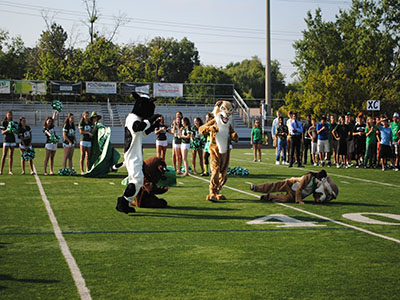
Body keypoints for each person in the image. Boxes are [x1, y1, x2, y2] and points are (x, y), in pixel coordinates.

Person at [249, 169, 338, 204]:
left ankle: (268, 197)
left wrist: (320, 199)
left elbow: (317, 194)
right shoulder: (309, 177)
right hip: (291, 184)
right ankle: (256, 187)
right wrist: (299, 200)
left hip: (294, 193)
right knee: (274, 186)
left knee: (285, 199)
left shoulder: (317, 185)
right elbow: (300, 187)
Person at [0, 111, 16, 175]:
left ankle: (10, 170)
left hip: (12, 140)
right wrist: (8, 129)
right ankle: (1, 170)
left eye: (11, 115)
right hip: (6, 140)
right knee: (4, 155)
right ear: (6, 115)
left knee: (11, 155)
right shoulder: (4, 122)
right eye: (8, 115)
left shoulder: (13, 123)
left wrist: (14, 130)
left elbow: (16, 131)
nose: (10, 116)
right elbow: (2, 132)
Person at [43, 110, 58, 175]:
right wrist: (51, 136)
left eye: (50, 121)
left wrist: (54, 113)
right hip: (48, 143)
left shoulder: (52, 126)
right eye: (48, 121)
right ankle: (45, 171)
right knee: (47, 157)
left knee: (52, 158)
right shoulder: (45, 128)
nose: (49, 122)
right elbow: (47, 132)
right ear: (46, 121)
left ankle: (51, 170)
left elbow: (53, 118)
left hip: (54, 143)